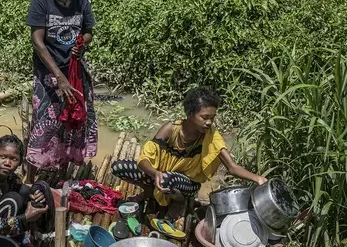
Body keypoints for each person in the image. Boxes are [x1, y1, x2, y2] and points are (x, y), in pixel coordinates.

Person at [111, 86, 267, 218]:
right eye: (204, 117)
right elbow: (145, 159)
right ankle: (149, 191)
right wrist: (154, 173)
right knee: (119, 167)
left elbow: (232, 167)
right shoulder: (170, 129)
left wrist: (258, 178)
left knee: (166, 178)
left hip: (186, 184)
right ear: (190, 114)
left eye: (212, 118)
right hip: (160, 176)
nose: (209, 122)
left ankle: (179, 201)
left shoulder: (211, 136)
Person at [25, 0, 98, 180]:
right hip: (49, 72)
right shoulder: (42, 1)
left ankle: (63, 174)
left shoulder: (81, 0)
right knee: (45, 122)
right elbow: (37, 41)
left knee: (74, 121)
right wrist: (59, 77)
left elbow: (88, 31)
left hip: (75, 71)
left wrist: (81, 43)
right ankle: (33, 176)